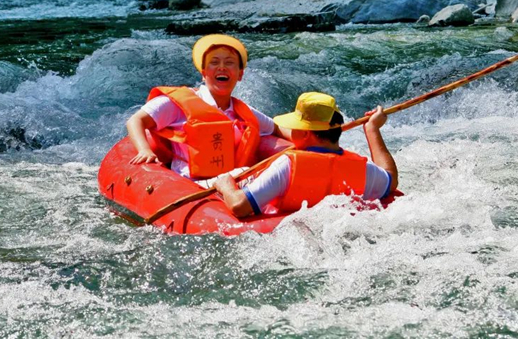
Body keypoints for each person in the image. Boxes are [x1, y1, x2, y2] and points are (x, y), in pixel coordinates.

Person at [126, 34, 288, 180]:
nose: (222, 67)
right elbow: (136, 120)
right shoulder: (178, 102)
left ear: (240, 75)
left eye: (229, 63)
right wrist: (144, 150)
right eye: (214, 62)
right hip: (189, 184)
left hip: (232, 180)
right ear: (204, 73)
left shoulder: (243, 111)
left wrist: (310, 136)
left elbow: (276, 128)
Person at [215, 92, 398, 217]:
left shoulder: (287, 165)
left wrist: (226, 185)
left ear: (304, 133)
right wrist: (372, 129)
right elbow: (391, 180)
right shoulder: (363, 169)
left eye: (295, 127)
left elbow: (239, 206)